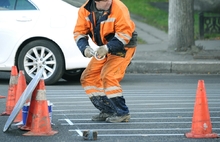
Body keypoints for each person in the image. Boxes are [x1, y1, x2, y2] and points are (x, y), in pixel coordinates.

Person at [74, 0, 137, 123]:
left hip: (124, 46)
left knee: (109, 75)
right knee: (88, 77)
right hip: (105, 46)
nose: (110, 2)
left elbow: (124, 34)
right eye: (106, 1)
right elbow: (79, 33)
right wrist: (85, 48)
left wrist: (107, 48)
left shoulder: (119, 8)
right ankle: (108, 110)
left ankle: (122, 113)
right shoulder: (85, 10)